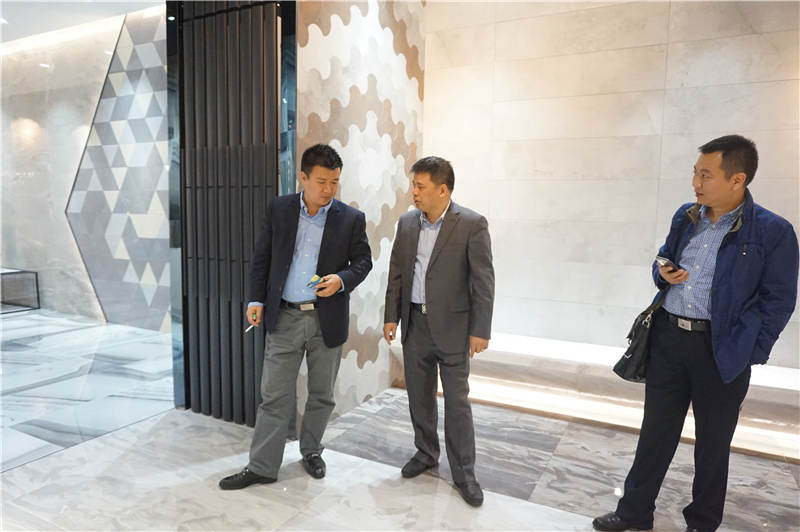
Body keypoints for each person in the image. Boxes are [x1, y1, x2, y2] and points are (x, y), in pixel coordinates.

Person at [593, 135, 798, 532]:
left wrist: (749, 351)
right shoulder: (686, 216)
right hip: (669, 339)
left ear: (737, 179)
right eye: (695, 173)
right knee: (655, 433)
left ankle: (702, 523)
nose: (695, 183)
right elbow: (663, 258)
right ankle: (635, 512)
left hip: (721, 349)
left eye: (706, 175)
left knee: (713, 444)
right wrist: (663, 273)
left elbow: (779, 300)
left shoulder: (773, 231)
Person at [219, 144, 372, 489]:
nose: (329, 189)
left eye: (334, 182)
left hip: (326, 319)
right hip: (285, 316)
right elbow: (262, 257)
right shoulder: (280, 209)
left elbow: (364, 262)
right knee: (273, 395)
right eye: (321, 181)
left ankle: (312, 451)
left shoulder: (351, 218)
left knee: (321, 394)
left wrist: (341, 280)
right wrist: (255, 299)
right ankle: (262, 466)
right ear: (303, 177)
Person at [383, 156, 495, 507]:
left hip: (454, 329)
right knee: (419, 396)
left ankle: (464, 473)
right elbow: (397, 273)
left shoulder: (472, 224)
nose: (414, 192)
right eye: (413, 185)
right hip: (415, 324)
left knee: (457, 403)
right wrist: (391, 316)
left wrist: (480, 329)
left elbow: (484, 281)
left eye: (420, 186)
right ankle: (426, 452)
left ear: (443, 190)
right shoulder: (407, 223)